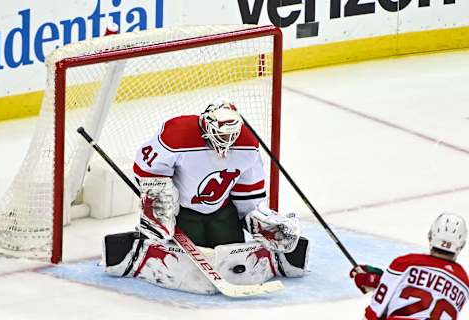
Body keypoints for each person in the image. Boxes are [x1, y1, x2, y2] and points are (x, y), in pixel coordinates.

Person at [101, 98, 310, 294]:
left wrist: (260, 221)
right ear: (207, 125)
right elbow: (146, 166)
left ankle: (277, 259)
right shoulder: (178, 133)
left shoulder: (247, 144)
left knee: (231, 253)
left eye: (231, 135)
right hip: (183, 212)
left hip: (222, 210)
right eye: (222, 134)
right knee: (189, 258)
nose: (227, 140)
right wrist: (158, 202)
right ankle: (140, 246)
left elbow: (249, 191)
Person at [350, 213, 468, 320]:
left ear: (430, 236)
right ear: (461, 245)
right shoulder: (464, 282)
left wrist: (378, 283)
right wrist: (379, 282)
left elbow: (373, 313)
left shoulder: (405, 263)